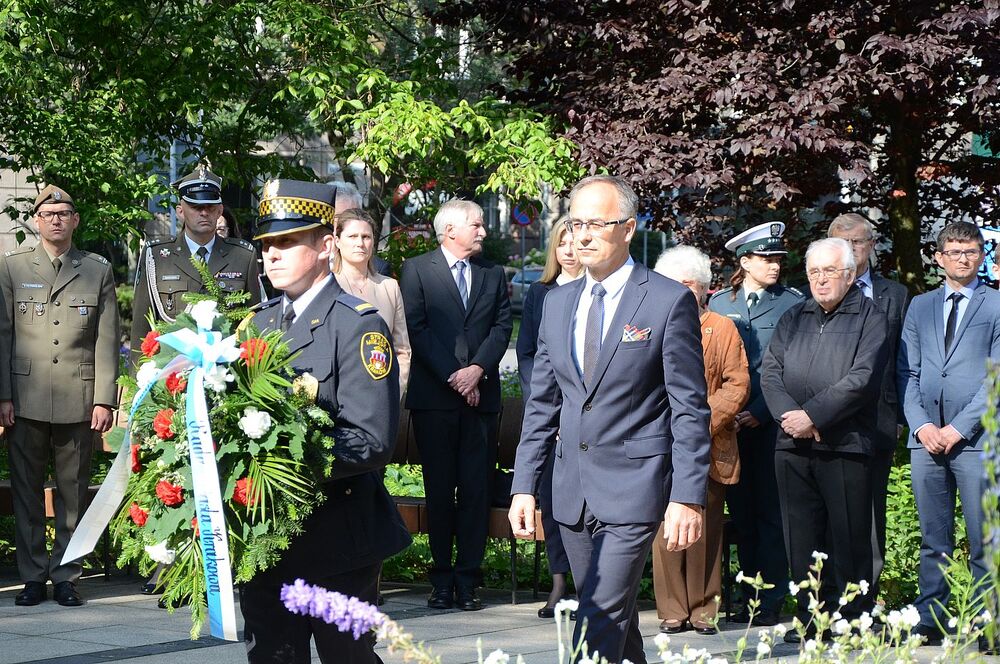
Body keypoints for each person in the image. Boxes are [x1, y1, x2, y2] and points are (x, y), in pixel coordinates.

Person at [509, 175, 711, 664]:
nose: (581, 235)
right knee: (614, 623)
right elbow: (543, 405)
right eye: (576, 223)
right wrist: (523, 485)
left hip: (636, 487)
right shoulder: (556, 304)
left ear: (627, 227)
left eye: (595, 224)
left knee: (597, 616)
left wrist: (687, 497)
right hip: (572, 492)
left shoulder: (666, 301)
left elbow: (689, 408)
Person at [240, 179, 411, 663]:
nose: (272, 255)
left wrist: (276, 468)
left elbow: (371, 440)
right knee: (273, 655)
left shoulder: (358, 324)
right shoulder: (258, 323)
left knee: (347, 658)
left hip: (338, 541)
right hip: (269, 540)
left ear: (325, 246)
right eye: (267, 245)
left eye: (287, 242)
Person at [761, 237, 887, 641]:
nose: (820, 279)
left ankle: (852, 619)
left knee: (848, 539)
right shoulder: (794, 316)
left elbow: (862, 379)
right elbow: (770, 372)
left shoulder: (871, 318)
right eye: (814, 271)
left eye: (829, 271)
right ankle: (809, 618)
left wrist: (814, 415)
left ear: (849, 275)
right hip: (792, 445)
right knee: (801, 538)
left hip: (845, 444)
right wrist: (791, 418)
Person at [0, 185, 120, 607]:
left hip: (79, 397)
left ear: (75, 221)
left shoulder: (96, 269)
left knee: (72, 493)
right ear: (36, 220)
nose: (55, 219)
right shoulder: (12, 267)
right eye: (48, 213)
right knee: (26, 491)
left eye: (64, 213)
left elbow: (108, 339)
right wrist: (2, 395)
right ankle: (33, 576)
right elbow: (3, 334)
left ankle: (67, 574)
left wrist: (105, 398)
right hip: (25, 396)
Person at [400, 199, 513, 611]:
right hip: (436, 401)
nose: (483, 231)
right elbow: (418, 328)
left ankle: (469, 580)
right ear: (449, 230)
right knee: (439, 492)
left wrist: (478, 369)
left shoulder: (492, 273)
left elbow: (503, 327)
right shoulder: (417, 270)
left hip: (479, 401)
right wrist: (456, 375)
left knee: (475, 493)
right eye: (477, 225)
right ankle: (441, 580)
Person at [898, 221, 1000, 653]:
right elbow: (908, 371)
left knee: (985, 538)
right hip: (926, 441)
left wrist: (958, 428)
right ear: (938, 258)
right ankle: (930, 620)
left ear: (982, 256)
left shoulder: (996, 304)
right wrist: (922, 425)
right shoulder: (919, 306)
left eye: (972, 251)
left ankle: (987, 624)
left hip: (976, 441)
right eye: (955, 251)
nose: (963, 258)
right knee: (933, 538)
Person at [707, 221, 803, 625]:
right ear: (744, 261)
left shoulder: (793, 303)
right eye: (766, 258)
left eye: (778, 258)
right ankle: (745, 595)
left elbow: (793, 366)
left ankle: (769, 599)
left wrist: (760, 411)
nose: (775, 265)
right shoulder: (718, 305)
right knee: (740, 515)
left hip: (769, 425)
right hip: (726, 427)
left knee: (769, 515)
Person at [652, 246, 750, 636]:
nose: (677, 291)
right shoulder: (653, 324)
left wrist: (698, 424)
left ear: (701, 288)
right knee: (664, 534)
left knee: (704, 532)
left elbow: (737, 383)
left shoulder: (721, 328)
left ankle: (704, 610)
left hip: (708, 446)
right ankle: (672, 610)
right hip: (660, 445)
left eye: (685, 285)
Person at [827, 213, 909, 594]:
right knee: (827, 510)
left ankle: (867, 598)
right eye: (842, 243)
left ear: (872, 245)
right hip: (827, 418)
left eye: (857, 243)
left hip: (877, 417)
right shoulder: (818, 292)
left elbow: (901, 361)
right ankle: (826, 595)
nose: (850, 250)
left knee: (872, 513)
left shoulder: (895, 295)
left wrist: (900, 416)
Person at [514, 219, 583, 618]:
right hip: (550, 414)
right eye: (562, 244)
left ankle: (587, 585)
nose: (569, 251)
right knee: (554, 503)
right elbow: (527, 354)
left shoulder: (597, 293)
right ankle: (559, 584)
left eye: (575, 243)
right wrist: (543, 406)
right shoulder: (541, 294)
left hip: (585, 415)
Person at [131, 166, 261, 367]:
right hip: (169, 375)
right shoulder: (156, 256)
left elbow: (252, 324)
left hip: (227, 376)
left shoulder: (243, 256)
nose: (204, 213)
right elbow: (141, 330)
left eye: (210, 207)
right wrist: (136, 386)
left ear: (219, 211)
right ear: (181, 212)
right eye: (196, 207)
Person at [333, 208, 411, 392]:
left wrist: (395, 389)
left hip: (383, 393)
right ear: (337, 241)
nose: (360, 243)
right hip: (340, 395)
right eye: (352, 236)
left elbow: (402, 349)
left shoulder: (389, 287)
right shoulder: (327, 285)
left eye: (366, 237)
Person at [329, 181, 392, 277]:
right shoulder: (308, 259)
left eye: (351, 216)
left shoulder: (378, 269)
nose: (346, 223)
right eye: (340, 217)